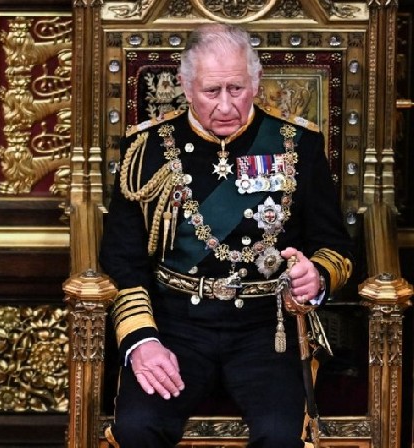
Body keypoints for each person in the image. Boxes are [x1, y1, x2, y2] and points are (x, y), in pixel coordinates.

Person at [99, 23, 354, 448]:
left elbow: (336, 247)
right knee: (137, 427)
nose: (224, 105)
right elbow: (122, 257)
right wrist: (142, 340)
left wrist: (317, 277)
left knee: (281, 436)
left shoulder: (298, 145)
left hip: (266, 328)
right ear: (185, 86)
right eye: (210, 91)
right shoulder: (146, 150)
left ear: (256, 82)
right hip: (175, 325)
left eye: (236, 89)